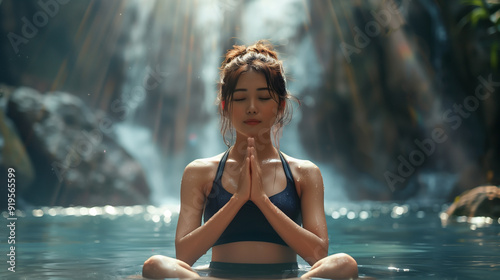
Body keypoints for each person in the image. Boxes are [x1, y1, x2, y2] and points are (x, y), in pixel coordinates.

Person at [142, 40, 358, 279]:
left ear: (280, 106)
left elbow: (319, 256)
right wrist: (237, 199)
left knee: (343, 263)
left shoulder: (304, 173)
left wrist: (262, 200)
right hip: (218, 276)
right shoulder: (200, 172)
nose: (252, 108)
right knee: (156, 265)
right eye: (241, 98)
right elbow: (184, 256)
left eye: (264, 98)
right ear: (225, 106)